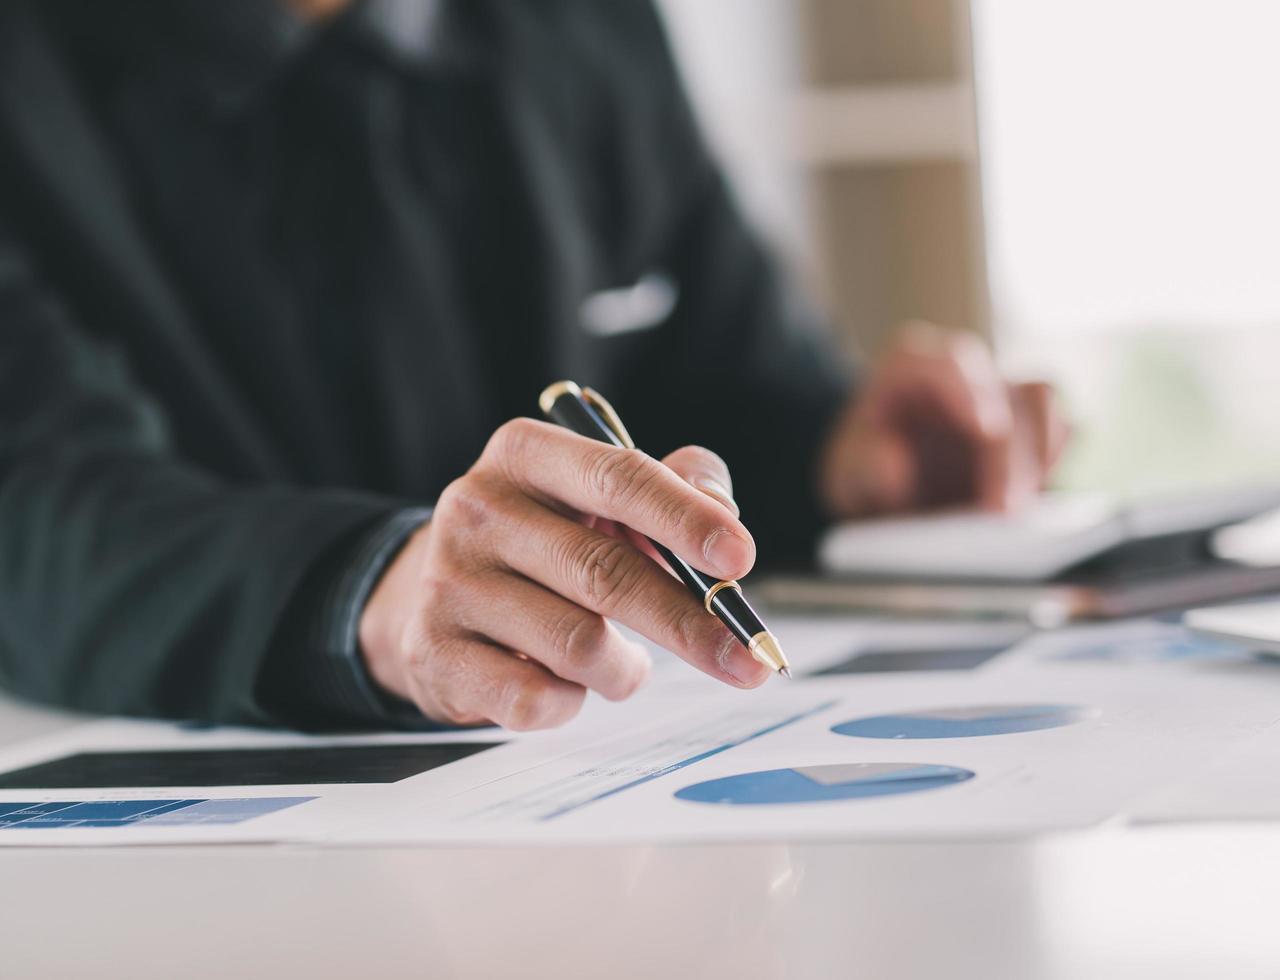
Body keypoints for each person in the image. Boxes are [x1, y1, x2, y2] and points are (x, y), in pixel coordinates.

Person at [0, 0, 1065, 731]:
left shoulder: (587, 25)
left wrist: (837, 468)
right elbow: (39, 511)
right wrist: (372, 591)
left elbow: (726, 374)